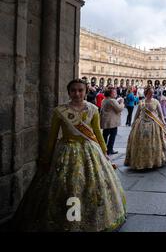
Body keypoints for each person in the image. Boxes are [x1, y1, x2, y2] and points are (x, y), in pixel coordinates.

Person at [14, 79, 126, 232]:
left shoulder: (93, 109)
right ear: (68, 92)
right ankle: (66, 219)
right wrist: (46, 158)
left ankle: (89, 217)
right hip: (66, 149)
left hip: (89, 150)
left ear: (86, 92)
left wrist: (104, 151)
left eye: (80, 90)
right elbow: (52, 136)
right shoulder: (60, 111)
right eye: (73, 90)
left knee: (90, 185)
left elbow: (97, 132)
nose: (77, 93)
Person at [125, 87, 166, 170]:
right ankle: (142, 161)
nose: (152, 94)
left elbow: (160, 113)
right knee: (141, 143)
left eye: (152, 93)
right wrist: (133, 122)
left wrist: (163, 123)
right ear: (146, 93)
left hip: (154, 124)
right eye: (150, 93)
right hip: (141, 124)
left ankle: (155, 160)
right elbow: (137, 114)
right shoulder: (141, 103)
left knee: (155, 143)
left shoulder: (156, 102)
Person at [100, 87, 125, 155]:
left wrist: (117, 102)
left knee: (105, 135)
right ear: (110, 94)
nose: (116, 93)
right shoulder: (112, 100)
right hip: (112, 122)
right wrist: (122, 102)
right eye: (114, 92)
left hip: (106, 121)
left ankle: (103, 148)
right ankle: (110, 149)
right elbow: (119, 108)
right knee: (112, 136)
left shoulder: (104, 99)